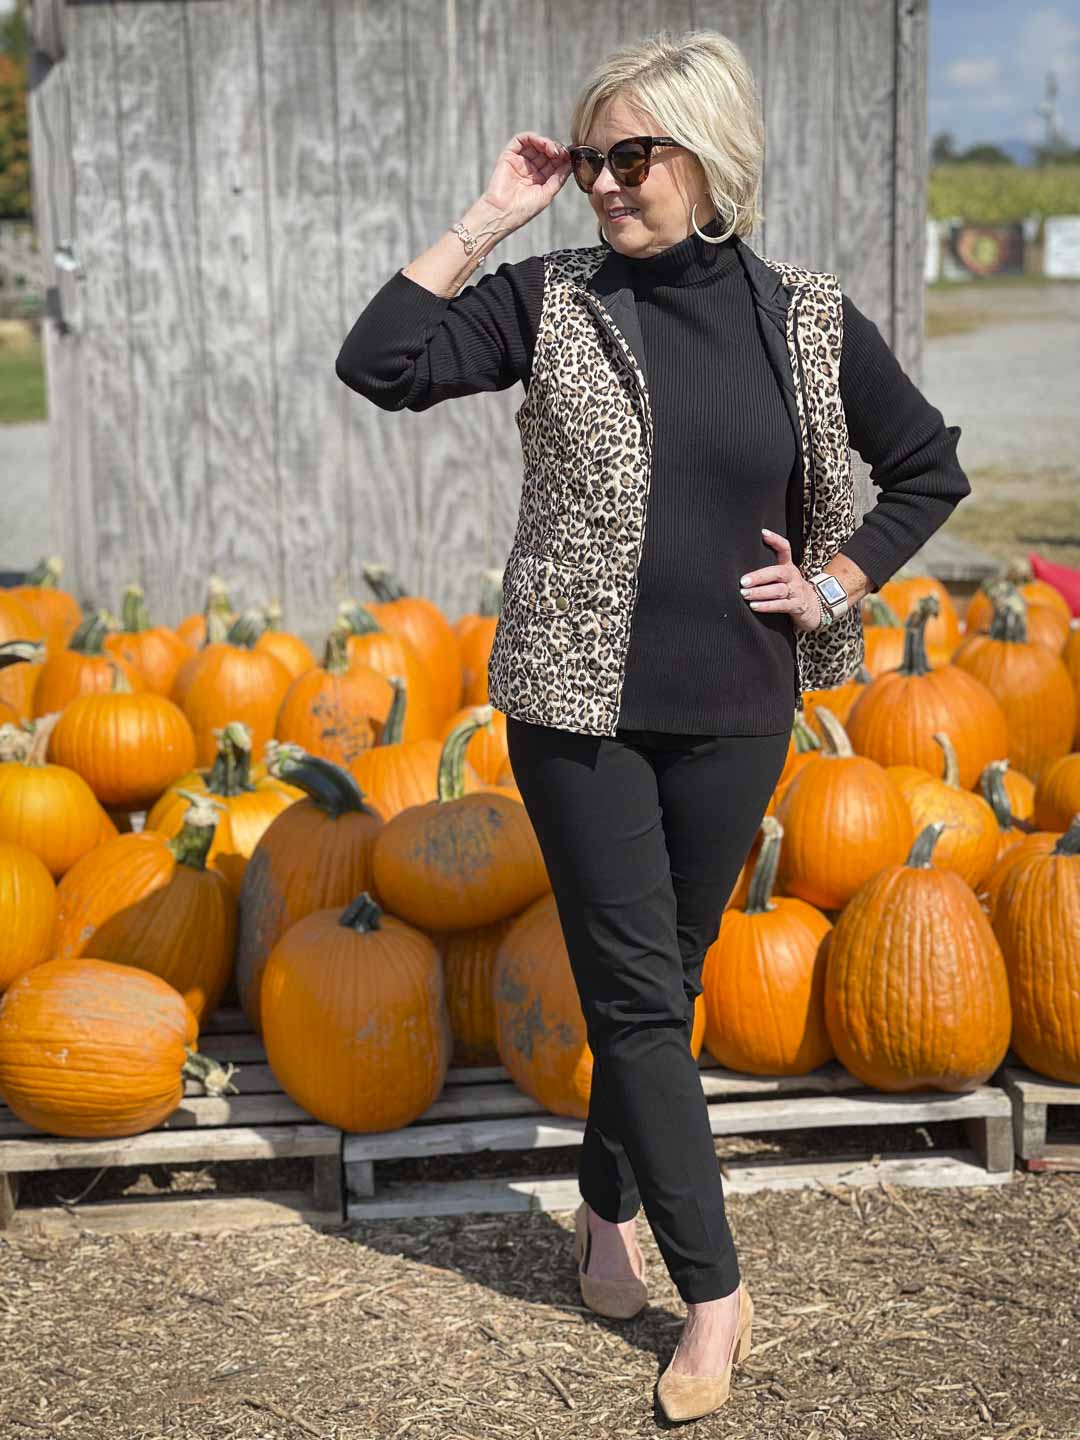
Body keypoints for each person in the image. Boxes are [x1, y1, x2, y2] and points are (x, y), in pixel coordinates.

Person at [335, 28, 970, 1424]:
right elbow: (379, 360)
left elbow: (929, 465)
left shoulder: (801, 315)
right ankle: (718, 1293)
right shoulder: (548, 299)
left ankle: (604, 1207)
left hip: (740, 705)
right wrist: (495, 211)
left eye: (635, 157)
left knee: (662, 990)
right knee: (634, 1001)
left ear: (709, 157)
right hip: (580, 709)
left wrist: (840, 578)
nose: (608, 186)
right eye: (595, 160)